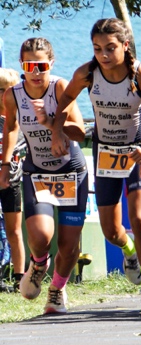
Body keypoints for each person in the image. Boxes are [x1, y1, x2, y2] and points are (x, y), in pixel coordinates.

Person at [50, 19, 141, 315]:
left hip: (136, 153)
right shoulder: (87, 74)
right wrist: (57, 132)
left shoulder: (140, 75)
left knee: (139, 218)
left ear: (125, 45)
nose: (103, 54)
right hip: (105, 154)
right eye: (97, 48)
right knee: (112, 231)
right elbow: (64, 101)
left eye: (110, 48)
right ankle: (129, 251)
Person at [0, 38, 90, 315]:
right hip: (37, 171)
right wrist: (5, 163)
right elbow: (11, 127)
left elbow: (80, 132)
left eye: (41, 66)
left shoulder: (59, 88)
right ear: (21, 65)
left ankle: (57, 290)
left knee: (69, 245)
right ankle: (39, 264)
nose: (36, 72)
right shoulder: (13, 95)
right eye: (30, 66)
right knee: (40, 237)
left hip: (70, 171)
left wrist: (53, 125)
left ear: (51, 62)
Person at [0, 68, 20, 290]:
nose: (4, 95)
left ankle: (17, 275)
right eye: (0, 90)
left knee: (13, 231)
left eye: (8, 91)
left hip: (13, 182)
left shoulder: (21, 119)